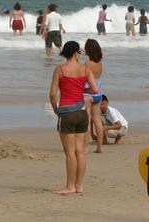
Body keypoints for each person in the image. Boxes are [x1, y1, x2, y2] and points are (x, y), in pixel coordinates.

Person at [49, 41, 98, 194]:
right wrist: (82, 89)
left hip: (66, 111)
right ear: (76, 53)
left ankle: (70, 186)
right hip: (82, 112)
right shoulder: (85, 68)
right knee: (80, 151)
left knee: (69, 152)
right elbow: (95, 89)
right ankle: (79, 186)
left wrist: (56, 109)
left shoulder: (60, 69)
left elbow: (52, 94)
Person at [84, 39, 105, 153]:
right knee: (97, 120)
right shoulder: (100, 63)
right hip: (99, 92)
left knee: (87, 121)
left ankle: (86, 148)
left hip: (88, 92)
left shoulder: (87, 63)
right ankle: (99, 147)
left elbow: (83, 76)